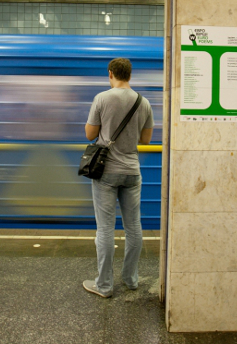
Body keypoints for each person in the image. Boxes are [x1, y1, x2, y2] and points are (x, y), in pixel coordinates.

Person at [83, 58, 154, 298]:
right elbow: (146, 140)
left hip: (106, 172)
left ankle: (103, 285)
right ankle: (131, 279)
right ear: (130, 76)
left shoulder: (102, 98)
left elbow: (91, 134)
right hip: (132, 171)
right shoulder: (143, 102)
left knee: (105, 229)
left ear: (111, 73)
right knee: (133, 227)